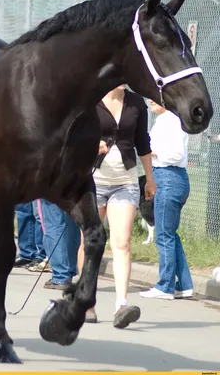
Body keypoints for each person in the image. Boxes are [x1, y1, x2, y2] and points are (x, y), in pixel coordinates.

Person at [77, 85, 156, 327]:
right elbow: (73, 137)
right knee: (89, 242)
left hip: (126, 181)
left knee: (121, 243)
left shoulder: (136, 103)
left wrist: (150, 180)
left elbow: (143, 143)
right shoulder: (89, 99)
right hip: (94, 181)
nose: (124, 80)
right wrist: (92, 144)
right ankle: (86, 302)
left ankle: (121, 304)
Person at [140, 99, 193, 300]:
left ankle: (165, 286)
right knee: (169, 233)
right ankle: (185, 285)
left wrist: (149, 152)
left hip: (168, 177)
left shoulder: (170, 119)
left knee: (164, 235)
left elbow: (175, 154)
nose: (150, 100)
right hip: (171, 178)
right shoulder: (166, 119)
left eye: (157, 96)